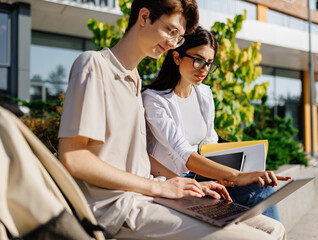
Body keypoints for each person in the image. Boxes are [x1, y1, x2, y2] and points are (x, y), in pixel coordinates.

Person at [58, 0, 286, 239]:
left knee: (272, 228)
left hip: (150, 195)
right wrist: (158, 186)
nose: (171, 43)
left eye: (177, 37)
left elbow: (136, 156)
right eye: (171, 31)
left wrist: (185, 184)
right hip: (116, 207)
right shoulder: (95, 65)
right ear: (144, 17)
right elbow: (74, 158)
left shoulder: (134, 80)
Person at [142, 26, 287, 221]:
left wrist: (236, 172)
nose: (204, 69)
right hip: (176, 180)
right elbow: (184, 153)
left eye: (209, 63)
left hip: (203, 176)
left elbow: (210, 146)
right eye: (198, 60)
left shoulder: (204, 93)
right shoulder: (154, 100)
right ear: (176, 57)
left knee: (261, 187)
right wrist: (235, 176)